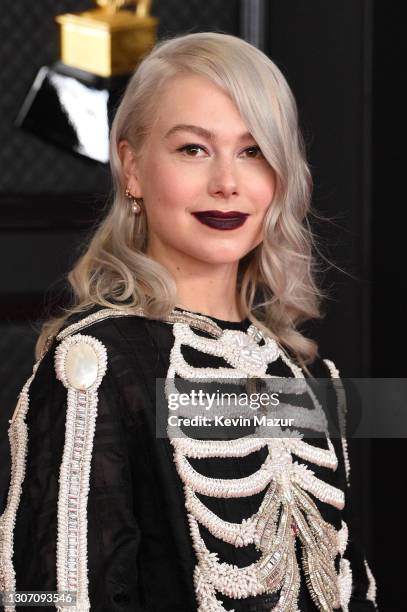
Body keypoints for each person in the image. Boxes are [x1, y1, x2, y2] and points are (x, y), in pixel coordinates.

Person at [0, 32, 377, 612]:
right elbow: (48, 594)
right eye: (193, 149)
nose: (227, 182)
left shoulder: (306, 373)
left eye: (253, 151)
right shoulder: (96, 366)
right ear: (131, 168)